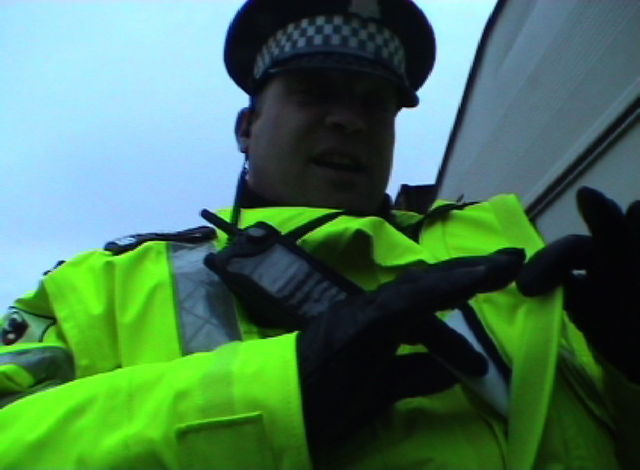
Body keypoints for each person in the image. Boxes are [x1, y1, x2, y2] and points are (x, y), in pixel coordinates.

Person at [1, 0, 638, 468]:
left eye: (374, 103)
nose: (349, 121)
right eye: (313, 93)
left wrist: (631, 373)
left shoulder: (512, 244)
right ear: (247, 127)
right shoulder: (102, 289)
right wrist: (282, 392)